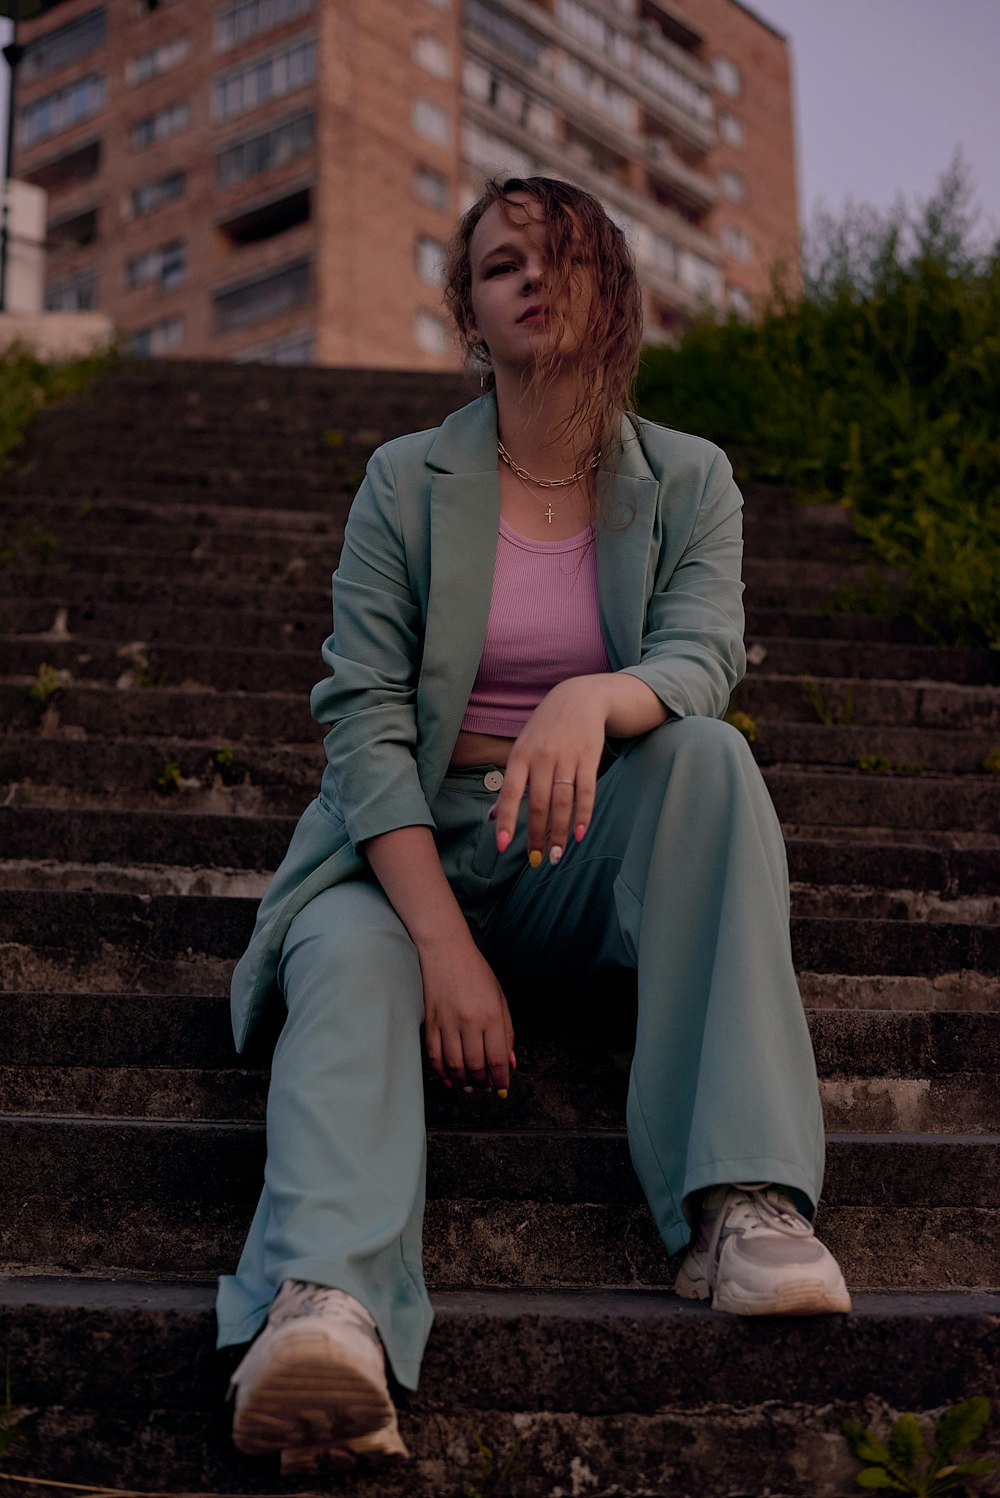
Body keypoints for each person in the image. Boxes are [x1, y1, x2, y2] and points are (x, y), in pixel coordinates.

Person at [216, 176, 851, 1478]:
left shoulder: (689, 478)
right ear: (468, 307)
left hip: (582, 833)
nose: (530, 275)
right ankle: (324, 1307)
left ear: (614, 286)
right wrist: (446, 948)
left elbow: (703, 655)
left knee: (711, 768)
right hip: (402, 847)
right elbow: (365, 726)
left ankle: (742, 1201)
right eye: (500, 260)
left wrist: (589, 696)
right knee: (348, 955)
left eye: (559, 253)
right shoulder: (407, 478)